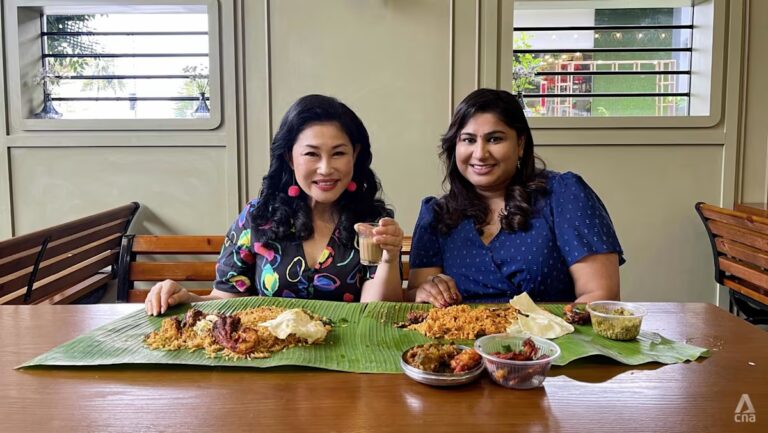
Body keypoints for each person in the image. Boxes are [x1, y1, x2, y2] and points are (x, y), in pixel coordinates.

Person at [146, 94, 404, 315]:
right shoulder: (258, 216)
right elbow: (226, 300)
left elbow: (376, 312)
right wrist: (186, 298)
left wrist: (389, 259)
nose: (326, 168)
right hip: (270, 353)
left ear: (355, 155)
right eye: (311, 154)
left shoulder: (371, 221)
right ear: (290, 158)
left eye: (338, 153)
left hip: (345, 354)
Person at [406, 88, 624, 307]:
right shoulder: (436, 215)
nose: (480, 154)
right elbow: (418, 295)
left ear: (520, 144)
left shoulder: (563, 194)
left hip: (553, 328)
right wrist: (427, 291)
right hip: (462, 330)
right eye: (469, 140)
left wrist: (542, 326)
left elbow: (600, 295)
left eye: (495, 139)